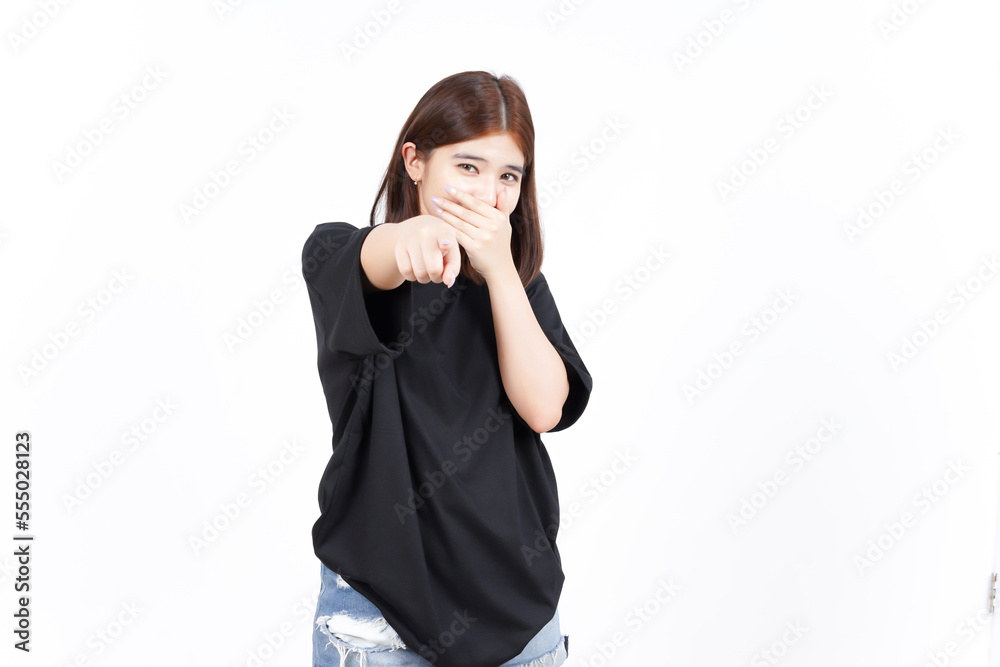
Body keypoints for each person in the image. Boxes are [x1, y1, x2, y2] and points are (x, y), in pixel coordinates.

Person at [302, 70, 593, 667]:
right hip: (382, 619)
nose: (488, 194)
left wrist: (502, 272)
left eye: (508, 175)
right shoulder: (338, 252)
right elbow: (376, 262)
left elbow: (544, 407)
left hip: (519, 613)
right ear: (415, 161)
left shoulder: (522, 289)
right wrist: (412, 234)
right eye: (467, 166)